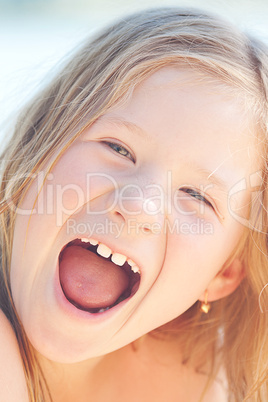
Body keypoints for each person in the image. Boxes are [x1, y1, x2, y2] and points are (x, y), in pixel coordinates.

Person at [0, 7, 267, 402]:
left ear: (224, 273)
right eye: (117, 148)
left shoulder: (199, 380)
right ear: (36, 154)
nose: (138, 205)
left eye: (196, 196)